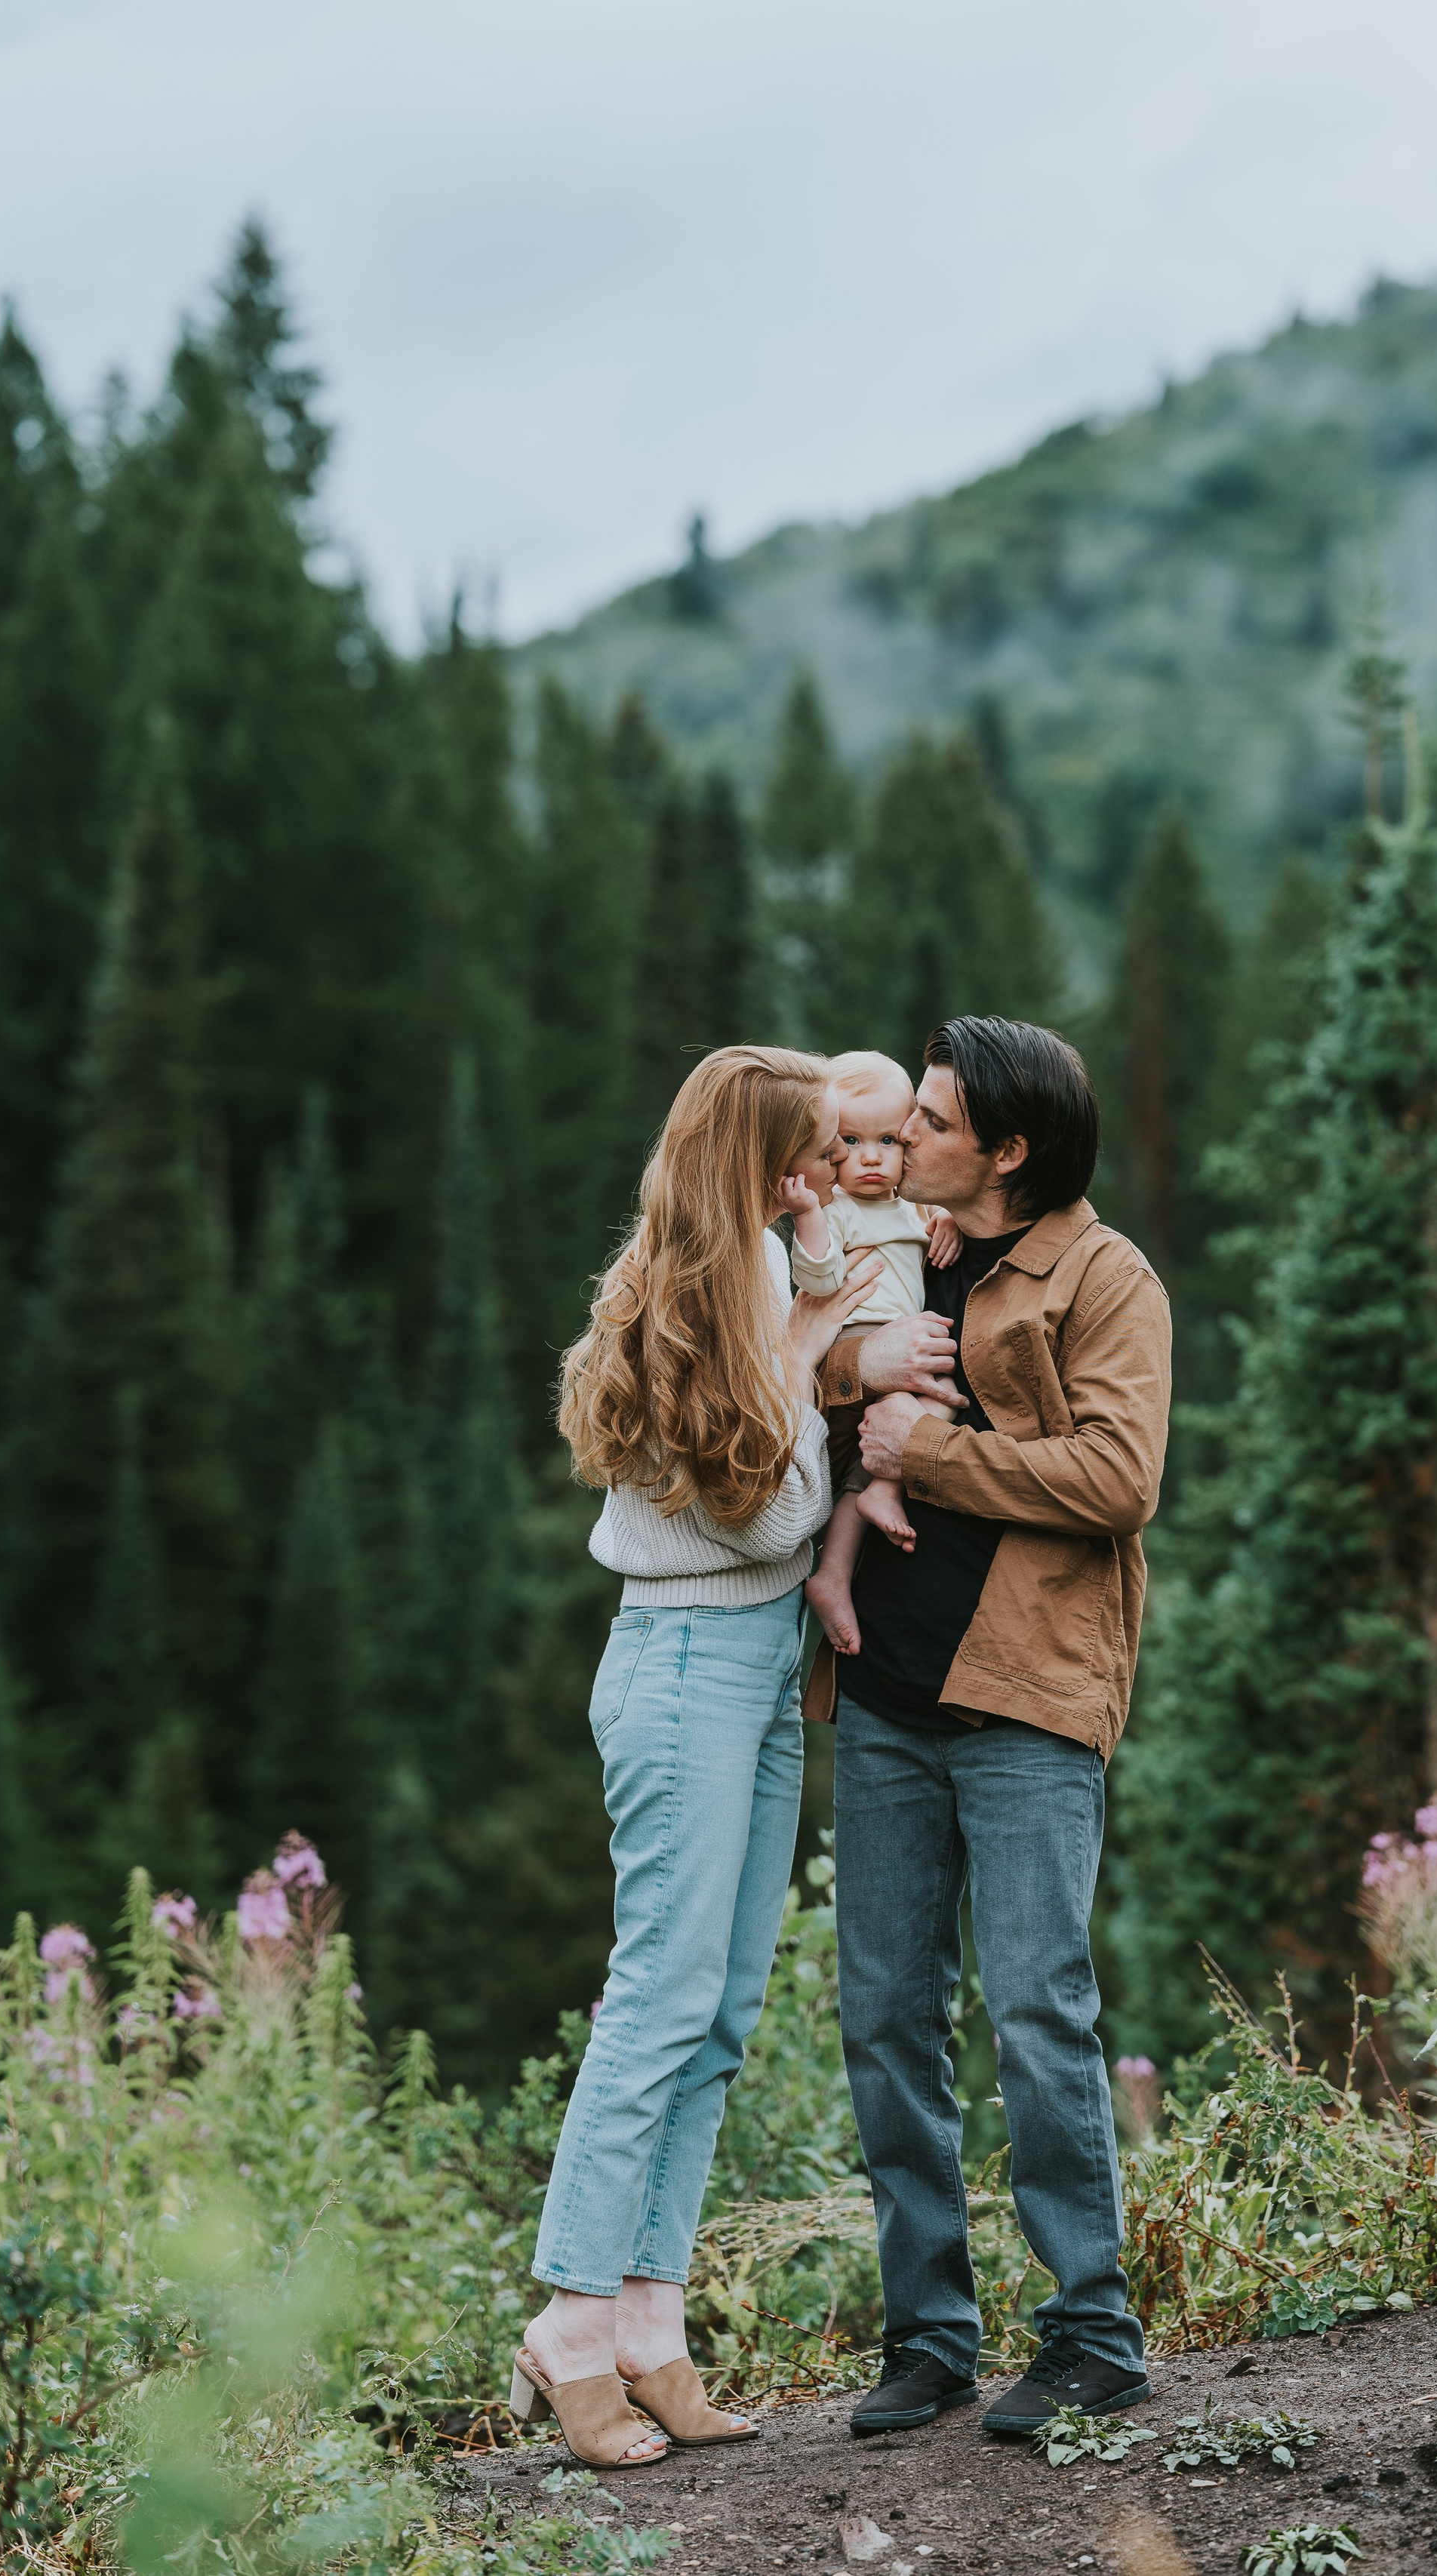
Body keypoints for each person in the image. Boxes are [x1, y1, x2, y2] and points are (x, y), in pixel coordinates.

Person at [509, 1045, 879, 2468]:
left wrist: (814, 1275)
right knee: (658, 1995)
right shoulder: (682, 1302)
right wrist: (802, 1353)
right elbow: (767, 1512)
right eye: (801, 1155)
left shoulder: (768, 1278)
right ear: (750, 1161)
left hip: (759, 1670)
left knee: (720, 2008)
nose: (823, 1175)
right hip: (680, 1665)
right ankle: (571, 2318)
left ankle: (654, 2325)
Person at [803, 1015, 1173, 2441]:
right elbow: (824, 1373)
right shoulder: (901, 1245)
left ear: (1009, 1150)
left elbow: (1118, 1476)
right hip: (888, 1701)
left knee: (1035, 2008)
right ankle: (931, 2336)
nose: (908, 1141)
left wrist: (924, 1450)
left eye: (938, 1121)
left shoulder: (1102, 1274)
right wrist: (854, 1384)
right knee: (887, 2016)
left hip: (1024, 1698)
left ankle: (1092, 2329)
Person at [787, 1049, 961, 1657]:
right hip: (856, 1339)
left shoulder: (911, 1205)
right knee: (937, 1397)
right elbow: (815, 1274)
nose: (869, 1156)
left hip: (904, 1346)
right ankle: (882, 1491)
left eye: (888, 1139)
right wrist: (809, 1217)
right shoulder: (835, 1210)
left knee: (942, 1402)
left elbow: (931, 1227)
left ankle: (834, 1571)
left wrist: (948, 1220)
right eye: (850, 1141)